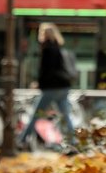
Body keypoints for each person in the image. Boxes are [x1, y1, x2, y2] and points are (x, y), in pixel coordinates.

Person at [17, 23, 78, 153]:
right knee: (65, 116)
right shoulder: (59, 48)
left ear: (44, 34)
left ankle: (21, 141)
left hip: (51, 89)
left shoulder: (47, 49)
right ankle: (74, 142)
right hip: (63, 88)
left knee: (35, 115)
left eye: (42, 32)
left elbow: (46, 71)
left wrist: (39, 83)